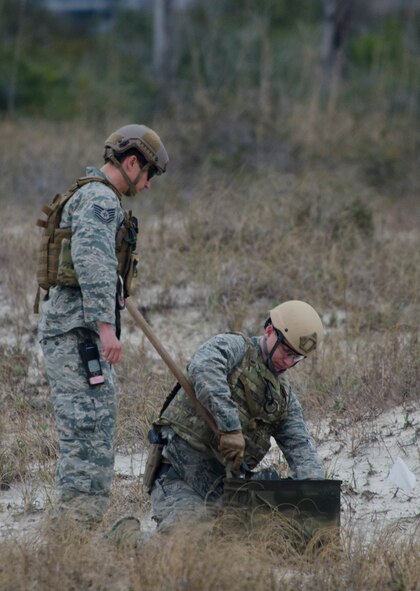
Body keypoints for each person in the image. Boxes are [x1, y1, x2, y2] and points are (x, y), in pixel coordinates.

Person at [108, 300, 325, 544]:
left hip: (227, 492)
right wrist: (230, 427)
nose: (288, 363)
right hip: (180, 477)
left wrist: (314, 492)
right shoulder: (235, 347)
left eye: (297, 358)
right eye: (287, 352)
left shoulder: (284, 398)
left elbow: (301, 449)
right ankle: (125, 537)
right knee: (188, 549)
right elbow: (204, 366)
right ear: (269, 332)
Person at [38, 124, 169, 524]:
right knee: (86, 430)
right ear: (132, 163)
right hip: (79, 333)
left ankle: (81, 524)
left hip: (78, 331)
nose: (146, 186)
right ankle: (73, 529)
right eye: (147, 175)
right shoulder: (100, 200)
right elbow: (92, 262)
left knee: (94, 426)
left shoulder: (93, 194)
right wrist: (106, 328)